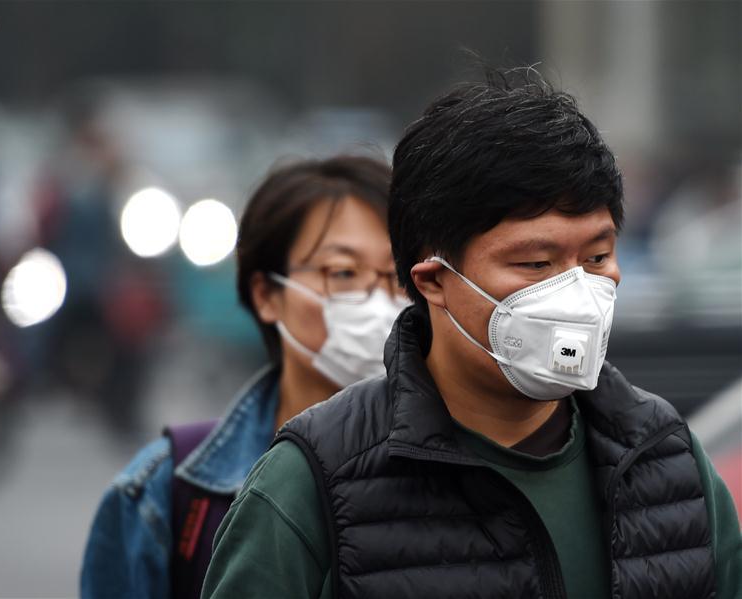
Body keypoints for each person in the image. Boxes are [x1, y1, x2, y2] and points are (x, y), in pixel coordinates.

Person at [201, 68, 742, 599]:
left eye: (597, 257)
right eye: (535, 263)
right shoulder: (312, 487)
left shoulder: (668, 462)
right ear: (434, 280)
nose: (577, 291)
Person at [80, 155, 409, 599]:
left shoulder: (468, 467)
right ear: (266, 294)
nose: (378, 301)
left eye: (397, 277)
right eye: (343, 273)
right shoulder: (162, 492)